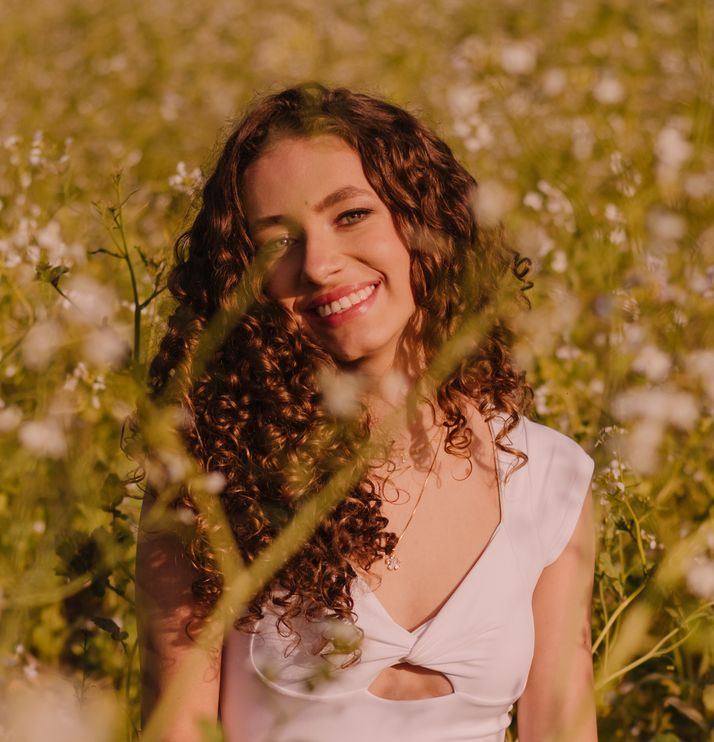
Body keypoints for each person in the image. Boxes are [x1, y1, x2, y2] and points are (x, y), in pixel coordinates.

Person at [135, 84, 596, 742]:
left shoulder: (549, 478)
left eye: (350, 215)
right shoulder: (210, 480)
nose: (319, 265)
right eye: (276, 245)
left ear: (421, 219)